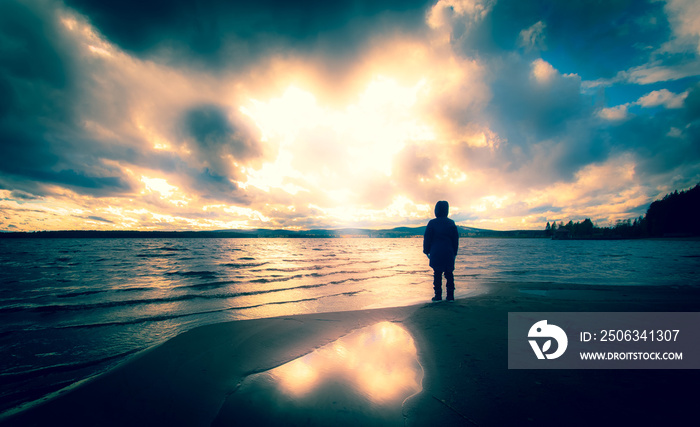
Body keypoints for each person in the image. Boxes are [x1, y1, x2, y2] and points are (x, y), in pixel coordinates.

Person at [423, 200, 459, 301]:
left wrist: (426, 251)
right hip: (448, 252)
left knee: (437, 274)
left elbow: (427, 238)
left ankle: (438, 295)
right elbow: (455, 240)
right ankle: (450, 296)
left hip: (436, 252)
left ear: (436, 210)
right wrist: (455, 252)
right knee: (449, 274)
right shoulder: (451, 223)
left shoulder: (432, 223)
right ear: (447, 210)